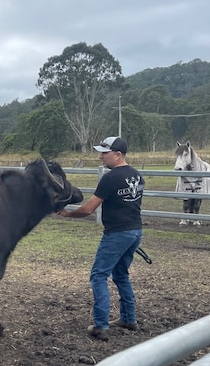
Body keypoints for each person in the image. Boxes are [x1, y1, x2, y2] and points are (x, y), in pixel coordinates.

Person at [56, 136, 144, 341]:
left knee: (98, 276)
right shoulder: (137, 176)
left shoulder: (111, 178)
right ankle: (129, 319)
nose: (100, 156)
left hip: (117, 234)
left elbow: (88, 209)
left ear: (118, 154)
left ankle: (100, 325)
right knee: (121, 274)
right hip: (135, 231)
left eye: (105, 153)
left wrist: (68, 214)